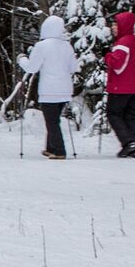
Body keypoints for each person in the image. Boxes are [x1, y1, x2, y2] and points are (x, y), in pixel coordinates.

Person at [18, 15, 79, 159]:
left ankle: (59, 151)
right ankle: (50, 147)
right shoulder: (67, 46)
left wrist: (21, 59)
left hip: (49, 90)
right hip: (64, 90)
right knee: (54, 119)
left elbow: (32, 68)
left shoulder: (42, 46)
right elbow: (73, 67)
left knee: (52, 121)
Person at [104, 11, 135, 158]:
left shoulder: (123, 43)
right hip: (134, 87)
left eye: (115, 24)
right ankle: (133, 145)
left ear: (123, 25)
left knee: (113, 114)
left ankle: (128, 143)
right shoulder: (133, 40)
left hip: (120, 87)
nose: (113, 27)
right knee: (129, 116)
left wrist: (107, 55)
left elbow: (117, 64)